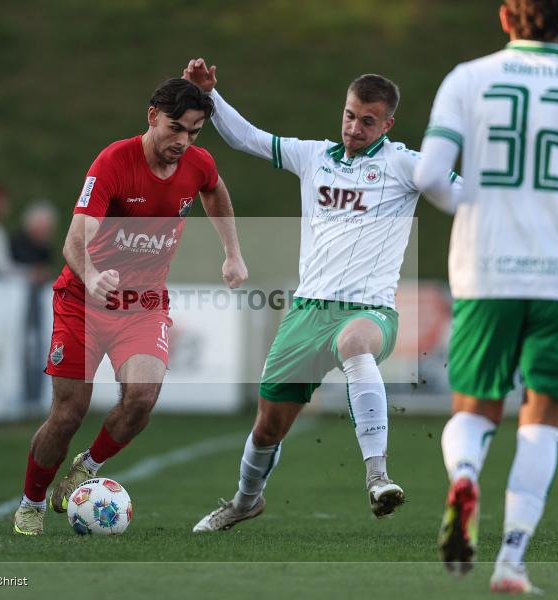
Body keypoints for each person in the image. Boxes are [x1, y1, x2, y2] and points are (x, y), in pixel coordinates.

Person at [413, 0, 558, 593]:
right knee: (542, 422)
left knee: (474, 407)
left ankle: (465, 475)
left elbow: (430, 177)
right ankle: (511, 562)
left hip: (487, 272)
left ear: (503, 18)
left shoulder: (468, 78)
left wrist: (479, 203)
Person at [183, 59, 461, 532]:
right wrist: (211, 97)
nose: (354, 127)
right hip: (307, 312)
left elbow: (464, 193)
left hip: (370, 311)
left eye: (367, 120)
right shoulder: (314, 156)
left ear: (387, 124)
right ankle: (245, 502)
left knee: (355, 345)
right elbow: (247, 138)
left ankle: (378, 477)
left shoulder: (404, 164)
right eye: (350, 115)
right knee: (268, 426)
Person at [13, 78, 248, 535]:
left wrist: (232, 252)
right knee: (68, 413)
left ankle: (88, 465)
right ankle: (31, 503)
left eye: (194, 132)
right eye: (175, 128)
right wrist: (94, 275)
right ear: (151, 117)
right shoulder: (114, 163)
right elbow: (73, 240)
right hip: (84, 299)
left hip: (142, 304)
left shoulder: (197, 164)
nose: (183, 141)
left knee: (141, 398)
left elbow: (214, 189)